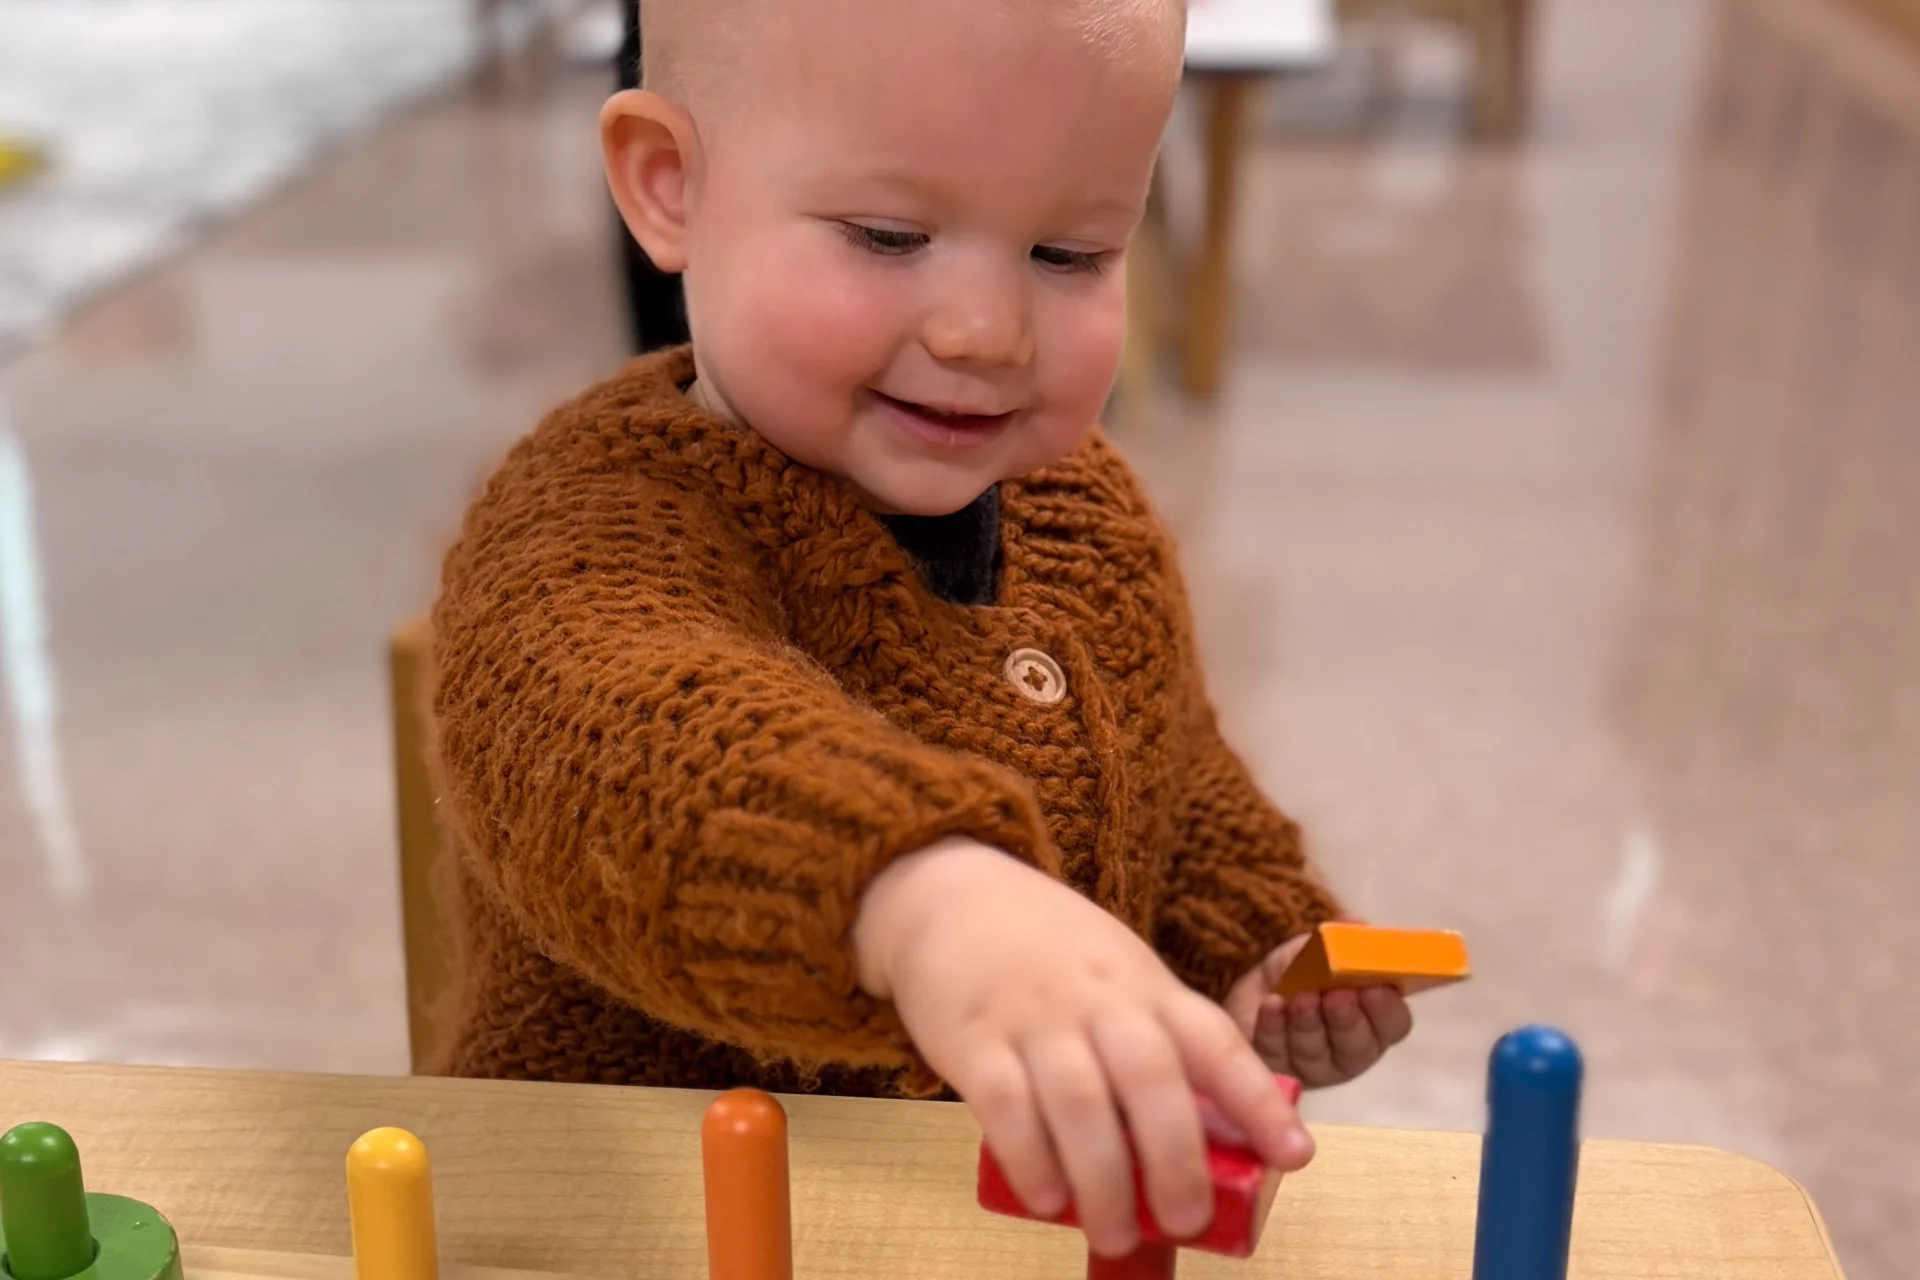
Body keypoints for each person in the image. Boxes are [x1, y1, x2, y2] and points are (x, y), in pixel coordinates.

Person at [428, 0, 1412, 1259]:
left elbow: (1178, 783)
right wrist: (921, 898)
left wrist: (1257, 949)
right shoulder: (577, 530)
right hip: (627, 1229)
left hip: (962, 1229)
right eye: (890, 236)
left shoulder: (1085, 509)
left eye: (1072, 255)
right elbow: (627, 739)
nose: (984, 332)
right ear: (670, 186)